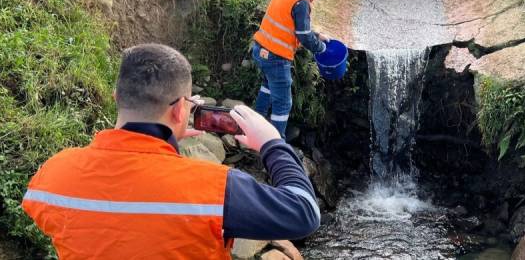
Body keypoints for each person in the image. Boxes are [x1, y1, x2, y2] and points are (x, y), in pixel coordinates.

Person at [22, 44, 319, 259]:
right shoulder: (213, 187)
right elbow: (303, 213)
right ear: (180, 111)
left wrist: (167, 141)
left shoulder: (53, 175)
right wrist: (271, 144)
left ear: (117, 98)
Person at [252, 0, 333, 139]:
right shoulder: (302, 2)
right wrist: (321, 47)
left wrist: (317, 35)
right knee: (283, 103)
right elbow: (304, 37)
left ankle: (254, 127)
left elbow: (293, 25)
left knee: (267, 87)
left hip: (260, 50)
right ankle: (275, 145)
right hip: (276, 57)